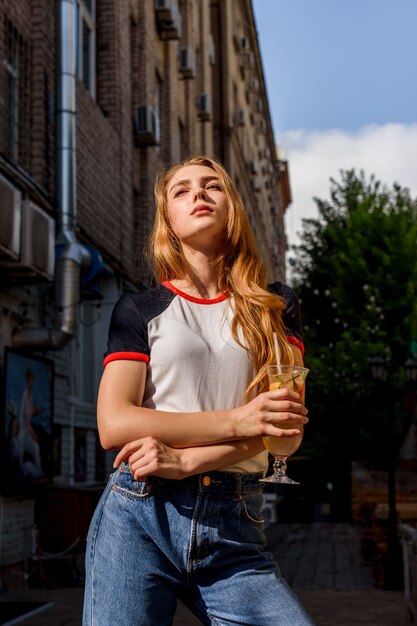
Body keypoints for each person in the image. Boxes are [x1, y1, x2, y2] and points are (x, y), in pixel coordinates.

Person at [83, 155, 315, 626]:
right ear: (167, 218)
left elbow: (285, 436)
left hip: (235, 523)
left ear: (232, 207)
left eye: (213, 186)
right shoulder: (138, 309)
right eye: (181, 190)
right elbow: (115, 424)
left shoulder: (276, 307)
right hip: (139, 514)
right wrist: (240, 420)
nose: (199, 194)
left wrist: (187, 459)